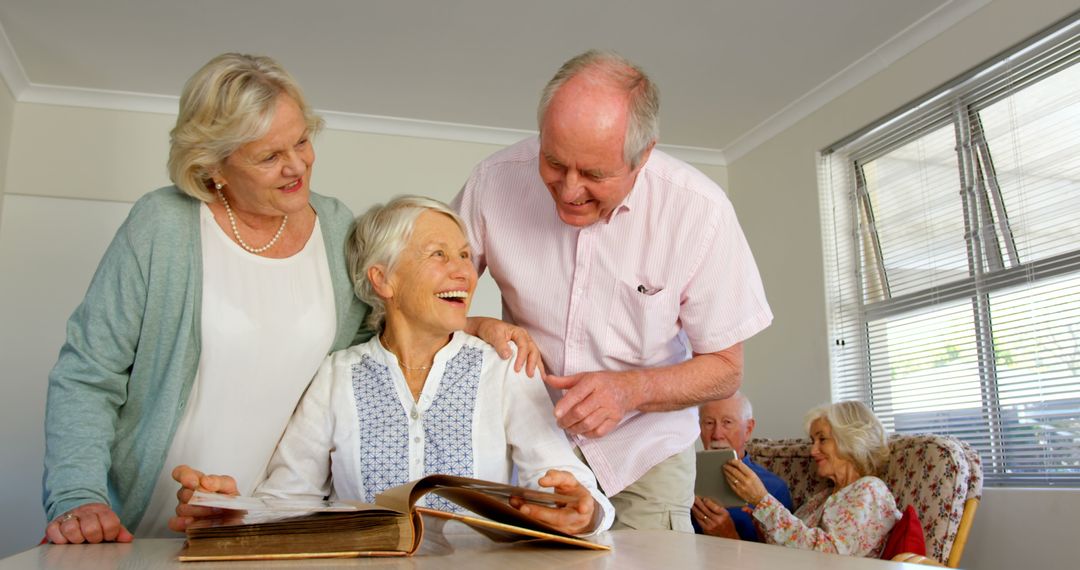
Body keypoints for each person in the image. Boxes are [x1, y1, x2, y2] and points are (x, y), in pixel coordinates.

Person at [42, 53, 537, 545]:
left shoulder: (336, 226)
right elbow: (89, 373)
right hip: (139, 517)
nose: (297, 165)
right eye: (269, 156)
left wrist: (474, 326)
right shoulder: (162, 226)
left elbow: (385, 324)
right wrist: (78, 497)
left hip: (265, 519)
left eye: (301, 140)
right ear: (214, 165)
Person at [451, 49, 772, 530]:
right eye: (554, 163)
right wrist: (478, 325)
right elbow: (425, 297)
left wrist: (632, 390)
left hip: (647, 455)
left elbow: (725, 369)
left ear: (643, 155)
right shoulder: (493, 181)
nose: (569, 190)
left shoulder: (700, 212)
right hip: (536, 449)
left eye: (595, 175)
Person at [171, 196, 613, 536]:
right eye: (437, 254)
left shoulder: (503, 367)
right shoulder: (337, 375)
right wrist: (232, 514)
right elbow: (289, 500)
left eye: (463, 255)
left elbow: (564, 484)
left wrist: (582, 509)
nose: (463, 271)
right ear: (383, 279)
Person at [723, 401, 901, 557]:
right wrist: (761, 526)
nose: (813, 451)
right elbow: (794, 547)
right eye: (812, 441)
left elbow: (830, 555)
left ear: (852, 440)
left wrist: (763, 501)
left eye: (822, 439)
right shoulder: (822, 497)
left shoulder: (870, 490)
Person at [691, 392, 792, 541]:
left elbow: (780, 558)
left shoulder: (773, 489)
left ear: (748, 429)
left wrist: (729, 536)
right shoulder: (684, 477)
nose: (717, 434)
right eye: (709, 423)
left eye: (727, 422)